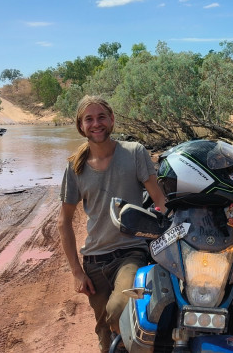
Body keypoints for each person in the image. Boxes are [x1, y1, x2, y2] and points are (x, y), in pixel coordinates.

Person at [58, 95, 167, 353]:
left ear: (112, 120)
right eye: (89, 119)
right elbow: (64, 222)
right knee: (104, 334)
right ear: (80, 125)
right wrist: (77, 272)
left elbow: (159, 199)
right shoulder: (75, 167)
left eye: (101, 117)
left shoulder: (134, 153)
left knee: (119, 311)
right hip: (94, 260)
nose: (96, 124)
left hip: (131, 251)